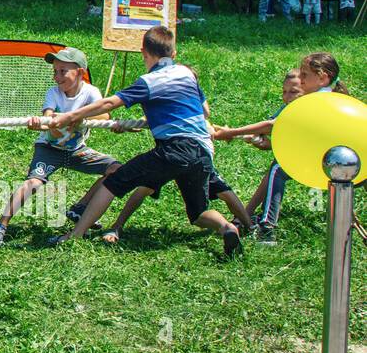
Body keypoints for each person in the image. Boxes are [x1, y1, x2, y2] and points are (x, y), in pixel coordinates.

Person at [46, 27, 244, 258]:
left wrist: (70, 116)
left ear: (144, 52)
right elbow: (205, 111)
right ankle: (227, 227)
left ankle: (74, 235)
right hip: (203, 152)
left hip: (174, 150)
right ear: (174, 52)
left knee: (113, 182)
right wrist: (154, 116)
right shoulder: (186, 73)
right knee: (199, 214)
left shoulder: (149, 81)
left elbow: (109, 103)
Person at [0, 47, 119, 248]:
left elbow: (105, 116)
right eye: (55, 71)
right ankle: (0, 225)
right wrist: (44, 123)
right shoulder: (53, 93)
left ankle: (80, 207)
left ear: (80, 72)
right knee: (34, 183)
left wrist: (78, 117)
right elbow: (49, 121)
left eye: (63, 71)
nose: (57, 76)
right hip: (49, 148)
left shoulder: (91, 92)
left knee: (116, 170)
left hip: (76, 150)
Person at [213, 68, 304, 244]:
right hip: (303, 154)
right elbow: (277, 139)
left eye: (294, 92)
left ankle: (267, 227)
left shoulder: (307, 107)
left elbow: (271, 126)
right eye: (284, 92)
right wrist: (260, 142)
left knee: (277, 170)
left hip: (327, 159)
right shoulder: (287, 108)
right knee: (276, 167)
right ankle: (245, 216)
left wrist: (231, 132)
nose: (287, 97)